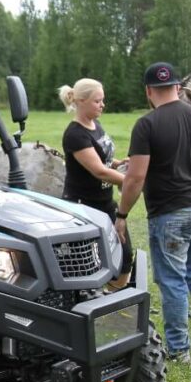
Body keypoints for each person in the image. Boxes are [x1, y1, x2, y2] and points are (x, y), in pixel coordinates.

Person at [114, 62, 191, 363]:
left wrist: (122, 214)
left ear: (148, 91)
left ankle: (179, 348)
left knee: (172, 280)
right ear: (177, 87)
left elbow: (136, 177)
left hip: (168, 213)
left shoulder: (146, 125)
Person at [59, 77, 132, 288]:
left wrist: (118, 163)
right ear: (81, 101)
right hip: (83, 206)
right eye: (97, 101)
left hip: (105, 203)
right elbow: (99, 171)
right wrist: (132, 182)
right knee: (89, 263)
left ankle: (113, 296)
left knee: (125, 256)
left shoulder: (95, 124)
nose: (102, 105)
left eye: (102, 100)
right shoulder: (75, 134)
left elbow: (103, 159)